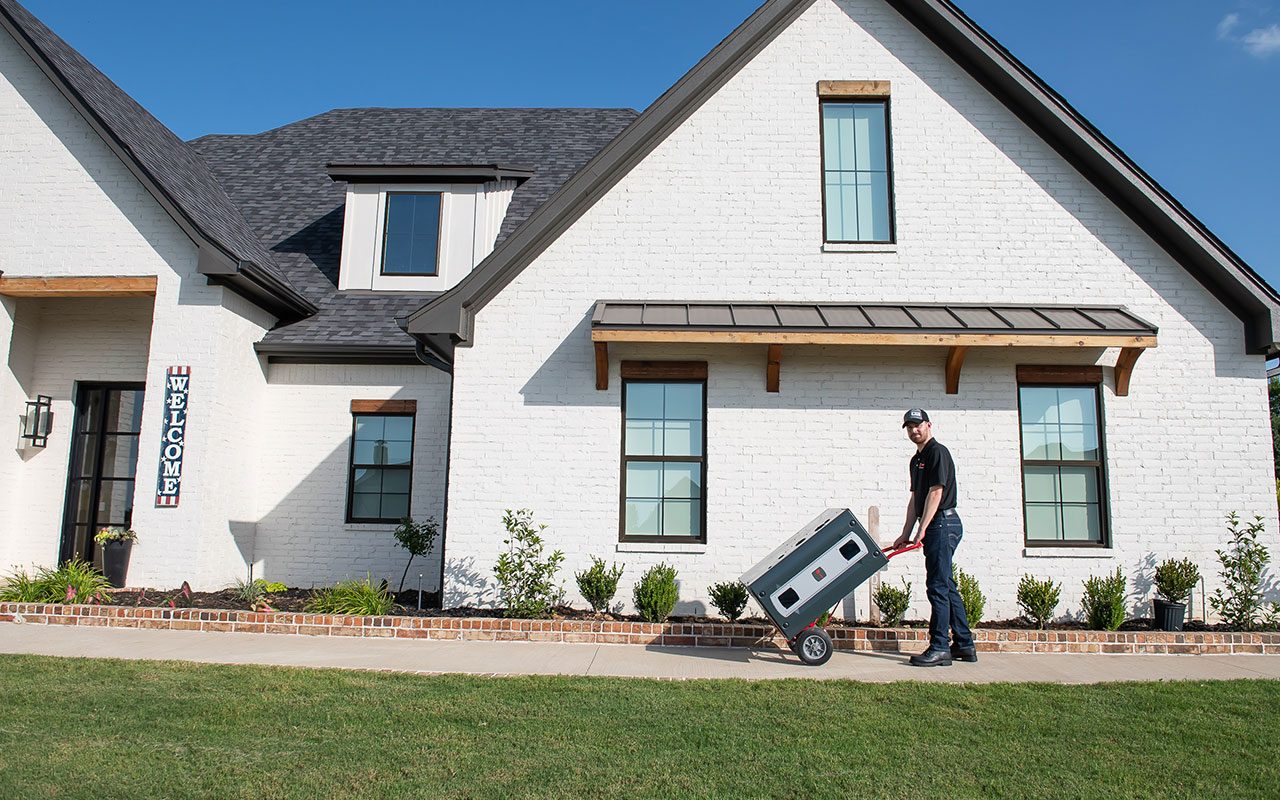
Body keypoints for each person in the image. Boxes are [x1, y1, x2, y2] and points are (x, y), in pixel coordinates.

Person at [890, 408, 976, 667]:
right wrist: (904, 534)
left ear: (929, 425)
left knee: (937, 587)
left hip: (943, 523)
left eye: (918, 425)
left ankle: (940, 647)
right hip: (935, 524)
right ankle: (964, 644)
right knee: (946, 585)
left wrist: (921, 529)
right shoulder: (916, 460)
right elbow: (915, 498)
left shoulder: (938, 452)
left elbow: (936, 493)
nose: (914, 430)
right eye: (909, 427)